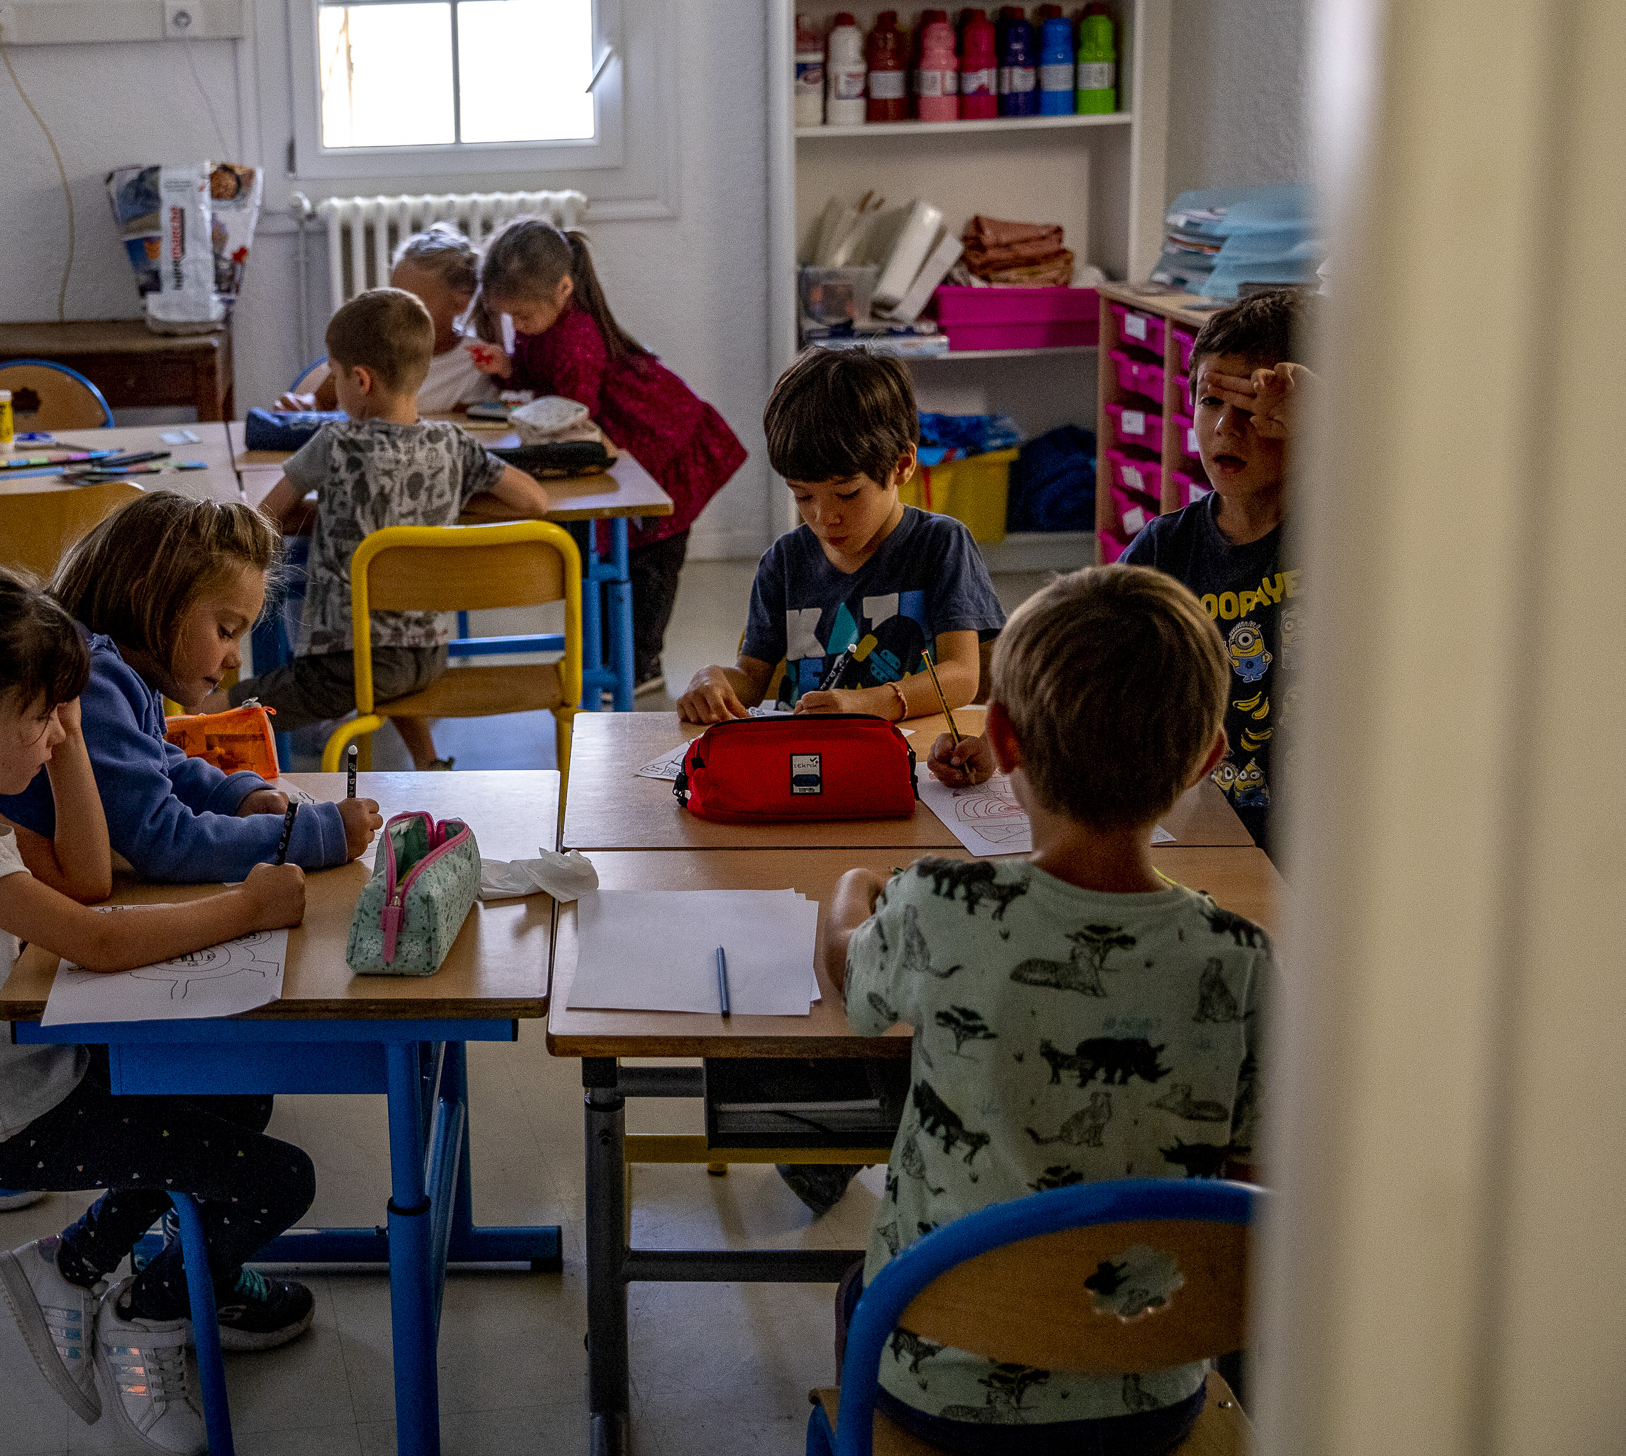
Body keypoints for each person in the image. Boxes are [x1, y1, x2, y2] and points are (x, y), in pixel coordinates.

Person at [0, 559, 314, 1456]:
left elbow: (83, 876)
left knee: (237, 1092)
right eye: (39, 717)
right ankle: (149, 1316)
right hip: (12, 1119)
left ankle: (72, 1264)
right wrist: (247, 907)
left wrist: (68, 739)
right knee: (281, 1179)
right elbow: (97, 937)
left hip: (33, 1070)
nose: (50, 733)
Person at [823, 564, 1269, 1454]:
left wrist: (853, 887)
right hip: (1150, 1396)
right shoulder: (1245, 961)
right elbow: (1248, 1184)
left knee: (854, 1296)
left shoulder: (937, 906)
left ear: (1002, 739)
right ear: (1206, 758)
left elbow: (849, 977)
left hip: (939, 1388)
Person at [219, 289, 548, 767]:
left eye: (335, 376)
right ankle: (430, 763)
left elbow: (265, 516)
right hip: (426, 655)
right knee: (385, 659)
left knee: (251, 700)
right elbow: (534, 501)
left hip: (344, 663)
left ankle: (182, 726)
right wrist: (450, 501)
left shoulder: (335, 442)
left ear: (360, 380)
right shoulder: (454, 445)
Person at [0, 491, 384, 880]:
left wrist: (234, 796)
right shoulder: (92, 681)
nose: (235, 659)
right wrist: (314, 834)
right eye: (226, 631)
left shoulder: (114, 664)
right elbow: (164, 839)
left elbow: (154, 761)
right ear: (149, 601)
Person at [677, 349, 1004, 762]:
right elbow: (751, 678)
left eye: (847, 494)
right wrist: (712, 681)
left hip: (913, 759)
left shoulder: (940, 545)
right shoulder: (783, 563)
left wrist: (868, 704)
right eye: (803, 496)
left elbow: (962, 676)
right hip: (811, 763)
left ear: (902, 465)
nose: (823, 517)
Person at [470, 217, 748, 695]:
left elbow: (572, 410)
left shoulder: (576, 336)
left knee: (654, 557)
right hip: (631, 446)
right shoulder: (548, 322)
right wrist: (509, 369)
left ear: (563, 288)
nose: (519, 326)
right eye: (512, 318)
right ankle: (615, 655)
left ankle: (641, 663)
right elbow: (546, 385)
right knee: (628, 554)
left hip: (666, 446)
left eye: (524, 317)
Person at [1119, 289, 1308, 856]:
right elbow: (1086, 662)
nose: (1227, 425)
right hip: (1202, 831)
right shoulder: (1164, 549)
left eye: (1253, 407)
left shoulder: (1348, 538)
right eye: (1210, 401)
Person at [281, 223, 501, 418]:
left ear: (460, 303)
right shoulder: (372, 346)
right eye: (395, 295)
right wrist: (304, 405)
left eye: (415, 302)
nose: (398, 310)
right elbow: (321, 401)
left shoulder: (477, 364)